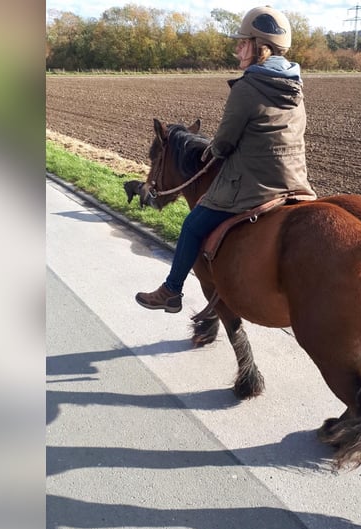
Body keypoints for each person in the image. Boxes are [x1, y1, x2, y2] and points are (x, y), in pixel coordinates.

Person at [135, 6, 316, 313]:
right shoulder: (294, 87)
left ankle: (171, 289)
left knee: (192, 225)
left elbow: (224, 143)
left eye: (243, 42)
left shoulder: (247, 88)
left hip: (252, 186)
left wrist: (213, 150)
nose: (237, 49)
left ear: (262, 47)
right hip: (295, 181)